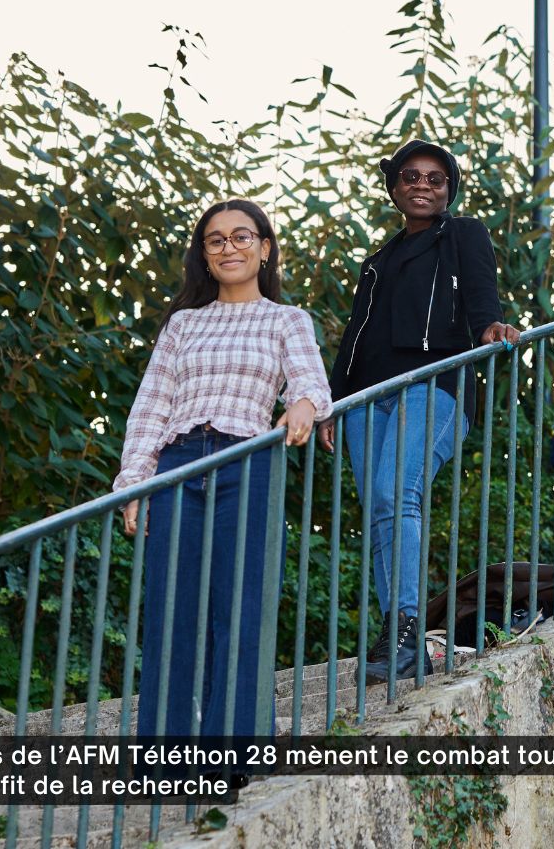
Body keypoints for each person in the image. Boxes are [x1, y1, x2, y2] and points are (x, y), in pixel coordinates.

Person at [115, 199, 333, 738]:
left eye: (241, 237)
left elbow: (311, 382)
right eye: (216, 240)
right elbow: (151, 407)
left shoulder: (287, 320)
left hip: (248, 461)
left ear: (264, 249)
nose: (228, 247)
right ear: (204, 257)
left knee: (240, 613)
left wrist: (305, 405)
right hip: (179, 466)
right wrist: (134, 484)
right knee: (171, 614)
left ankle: (227, 753)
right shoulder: (183, 325)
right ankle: (161, 756)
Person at [328, 139, 521, 683]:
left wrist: (491, 326)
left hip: (434, 383)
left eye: (436, 179)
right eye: (410, 176)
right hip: (367, 398)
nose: (422, 185)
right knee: (379, 511)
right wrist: (330, 403)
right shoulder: (378, 261)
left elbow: (483, 296)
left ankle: (409, 633)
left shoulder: (462, 234)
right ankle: (396, 633)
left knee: (397, 493)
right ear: (394, 187)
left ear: (448, 190)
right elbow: (354, 338)